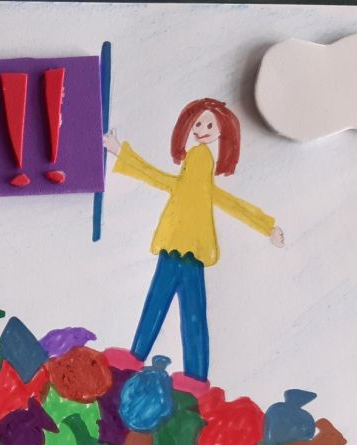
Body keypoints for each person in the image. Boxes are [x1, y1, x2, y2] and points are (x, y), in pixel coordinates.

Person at [106, 98, 284, 393]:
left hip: (182, 249)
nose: (202, 129)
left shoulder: (200, 161)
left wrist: (267, 226)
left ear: (221, 131)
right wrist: (120, 152)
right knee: (185, 312)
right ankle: (193, 376)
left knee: (171, 308)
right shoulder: (195, 165)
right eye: (198, 123)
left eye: (210, 124)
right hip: (181, 248)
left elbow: (203, 193)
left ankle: (157, 364)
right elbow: (189, 188)